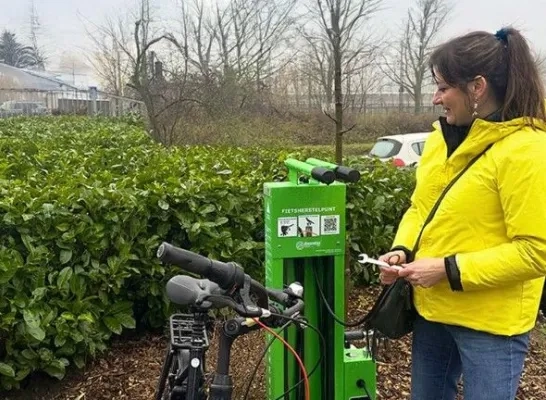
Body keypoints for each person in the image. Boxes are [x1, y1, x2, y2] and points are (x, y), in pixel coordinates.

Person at [378, 26, 546, 400]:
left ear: (477, 87)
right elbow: (421, 208)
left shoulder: (528, 150)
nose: (436, 99)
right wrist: (402, 249)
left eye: (442, 87)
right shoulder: (439, 139)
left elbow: (536, 251)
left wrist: (447, 268)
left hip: (491, 324)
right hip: (435, 311)